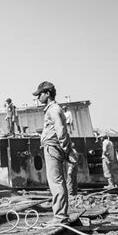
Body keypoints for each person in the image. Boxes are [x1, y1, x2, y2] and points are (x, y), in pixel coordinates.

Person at [32, 81, 71, 225]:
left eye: (40, 94)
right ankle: (60, 215)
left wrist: (65, 148)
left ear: (47, 93)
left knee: (56, 182)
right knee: (57, 181)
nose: (38, 97)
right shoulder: (54, 109)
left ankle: (60, 217)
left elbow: (60, 130)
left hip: (52, 147)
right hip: (53, 147)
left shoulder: (53, 109)